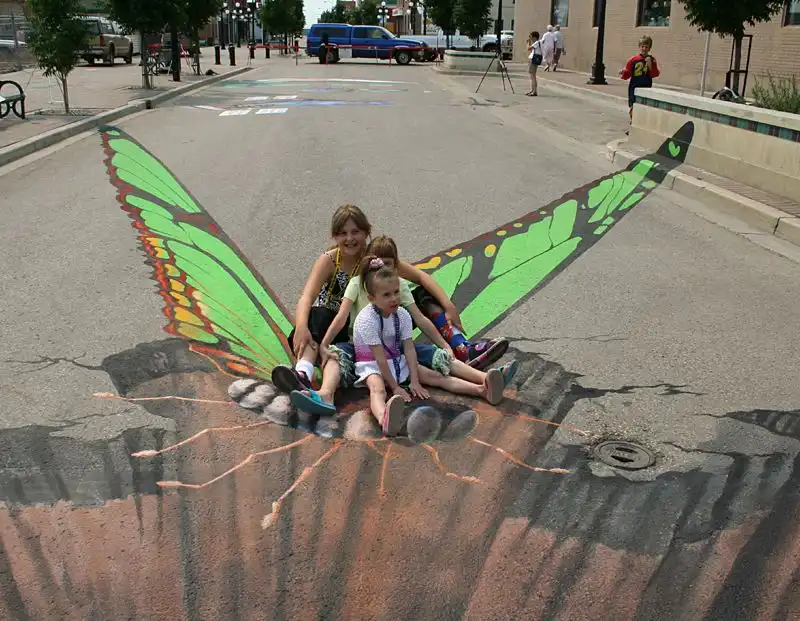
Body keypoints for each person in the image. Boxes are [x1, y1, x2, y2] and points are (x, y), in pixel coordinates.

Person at [318, 235, 518, 393]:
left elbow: (420, 319)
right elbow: (342, 317)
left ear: (396, 266)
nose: (383, 269)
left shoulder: (399, 285)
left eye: (388, 264)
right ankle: (325, 393)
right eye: (378, 264)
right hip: (363, 350)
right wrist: (324, 344)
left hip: (395, 348)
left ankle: (487, 378)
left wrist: (445, 345)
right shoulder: (358, 283)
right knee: (337, 354)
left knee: (438, 357)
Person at [352, 256, 510, 442]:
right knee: (377, 388)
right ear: (371, 298)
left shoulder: (402, 315)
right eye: (386, 295)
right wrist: (395, 387)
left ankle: (482, 390)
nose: (394, 298)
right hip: (371, 363)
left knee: (436, 377)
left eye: (396, 292)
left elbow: (409, 350)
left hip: (396, 358)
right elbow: (378, 358)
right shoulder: (366, 320)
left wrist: (415, 381)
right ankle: (384, 419)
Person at [270, 204, 371, 415]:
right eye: (343, 233)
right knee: (318, 315)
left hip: (352, 332)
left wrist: (443, 302)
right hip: (322, 329)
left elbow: (416, 276)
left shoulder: (372, 259)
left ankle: (316, 388)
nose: (349, 238)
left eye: (355, 232)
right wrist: (301, 327)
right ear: (334, 236)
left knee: (336, 349)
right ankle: (303, 374)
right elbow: (307, 296)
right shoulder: (329, 260)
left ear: (366, 232)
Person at [620, 35, 660, 127]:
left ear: (649, 48)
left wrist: (650, 64)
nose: (644, 49)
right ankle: (633, 123)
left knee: (643, 106)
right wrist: (623, 72)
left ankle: (640, 124)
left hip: (646, 86)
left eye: (646, 47)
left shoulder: (652, 60)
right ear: (639, 47)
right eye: (642, 46)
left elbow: (655, 74)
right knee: (633, 105)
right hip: (634, 86)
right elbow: (628, 73)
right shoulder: (634, 60)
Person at [526, 31, 542, 97]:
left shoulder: (536, 43)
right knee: (532, 75)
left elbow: (528, 48)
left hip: (533, 59)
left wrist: (528, 43)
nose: (530, 38)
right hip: (534, 59)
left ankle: (534, 91)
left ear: (534, 37)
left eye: (530, 36)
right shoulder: (538, 43)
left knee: (532, 76)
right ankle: (533, 90)